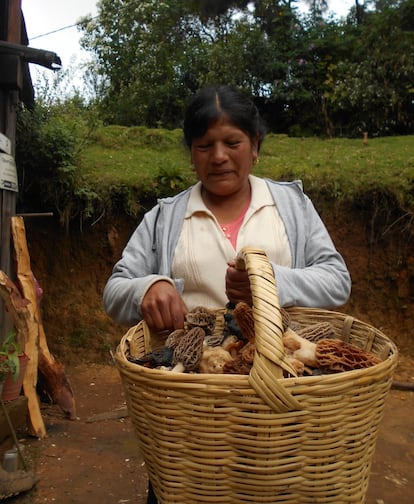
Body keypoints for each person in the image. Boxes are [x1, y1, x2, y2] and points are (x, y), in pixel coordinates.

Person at [103, 84, 351, 504]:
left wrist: (270, 281)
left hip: (283, 393)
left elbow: (337, 280)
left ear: (254, 146)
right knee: (191, 489)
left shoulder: (290, 205)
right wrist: (151, 285)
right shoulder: (165, 216)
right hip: (192, 403)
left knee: (278, 488)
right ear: (192, 153)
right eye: (204, 145)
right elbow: (115, 290)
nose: (219, 156)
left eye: (232, 142)